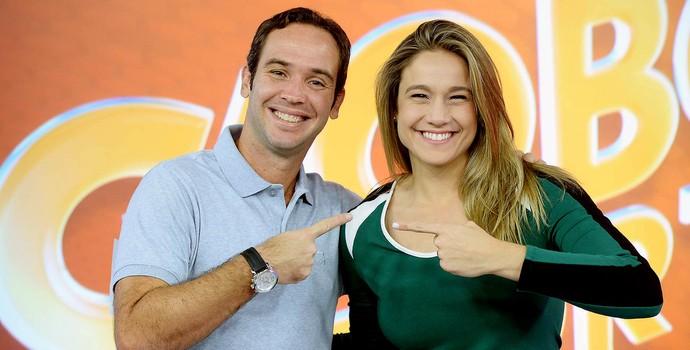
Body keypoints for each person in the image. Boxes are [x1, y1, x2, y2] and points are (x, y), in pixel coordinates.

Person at [339, 19, 663, 349]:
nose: (437, 115)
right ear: (394, 108)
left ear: (482, 109)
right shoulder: (361, 226)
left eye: (458, 97)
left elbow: (640, 289)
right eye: (419, 95)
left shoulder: (539, 194)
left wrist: (503, 258)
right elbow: (370, 342)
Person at [110, 7, 361, 349]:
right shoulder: (176, 186)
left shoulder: (345, 209)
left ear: (336, 102)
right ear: (247, 80)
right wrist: (260, 264)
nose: (294, 94)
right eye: (278, 72)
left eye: (316, 81)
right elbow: (136, 337)